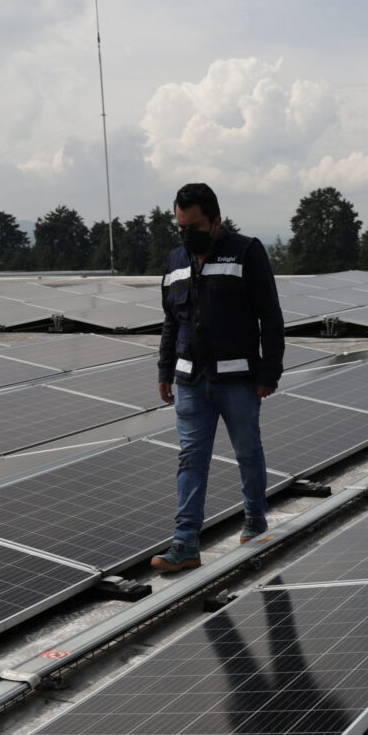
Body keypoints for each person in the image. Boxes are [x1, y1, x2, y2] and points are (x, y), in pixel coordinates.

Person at [150, 181, 285, 572]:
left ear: (215, 221)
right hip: (191, 381)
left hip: (239, 380)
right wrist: (164, 370)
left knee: (247, 451)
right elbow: (170, 323)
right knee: (191, 459)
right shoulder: (176, 261)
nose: (185, 233)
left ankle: (255, 519)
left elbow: (270, 317)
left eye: (193, 225)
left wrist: (269, 371)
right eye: (179, 226)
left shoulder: (246, 252)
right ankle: (185, 542)